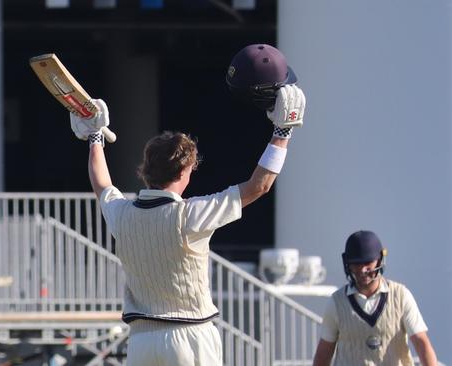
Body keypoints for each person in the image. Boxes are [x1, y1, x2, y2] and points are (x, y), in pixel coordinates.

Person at [68, 46, 306, 365]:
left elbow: (102, 185)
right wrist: (282, 132)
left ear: (146, 170)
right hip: (190, 338)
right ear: (184, 172)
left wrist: (94, 137)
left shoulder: (121, 214)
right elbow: (259, 186)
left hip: (141, 343)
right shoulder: (190, 216)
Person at [313, 230, 438, 366]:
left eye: (368, 262)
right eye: (356, 263)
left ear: (380, 259)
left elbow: (421, 343)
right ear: (347, 263)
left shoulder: (401, 296)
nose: (362, 270)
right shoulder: (336, 302)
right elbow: (324, 352)